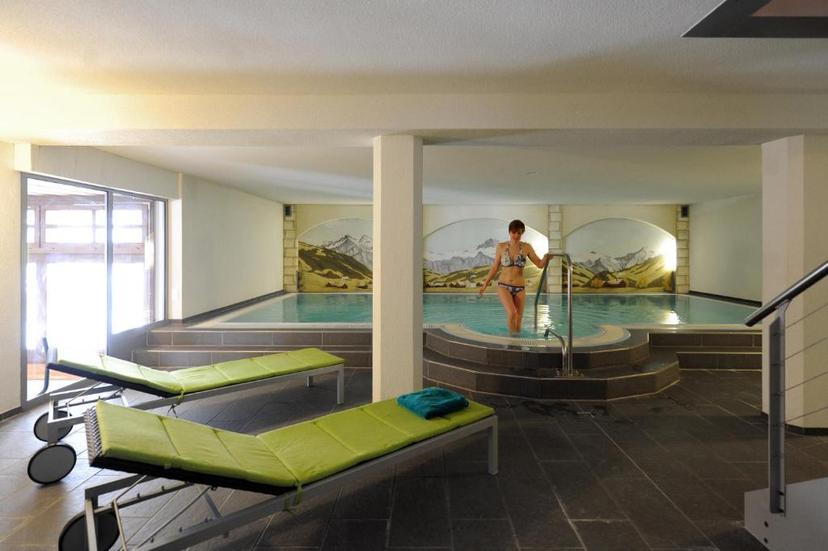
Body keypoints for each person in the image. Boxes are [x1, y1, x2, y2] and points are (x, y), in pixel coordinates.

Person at [478, 220, 553, 335]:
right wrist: (485, 284)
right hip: (504, 285)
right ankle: (511, 339)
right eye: (514, 232)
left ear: (522, 233)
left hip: (520, 288)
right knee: (512, 313)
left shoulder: (527, 247)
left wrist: (546, 258)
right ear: (509, 232)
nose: (516, 235)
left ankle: (517, 340)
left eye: (519, 233)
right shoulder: (501, 247)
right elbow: (495, 267)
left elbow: (539, 264)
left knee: (518, 318)